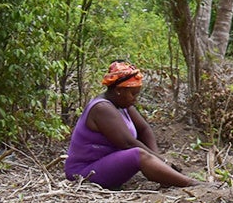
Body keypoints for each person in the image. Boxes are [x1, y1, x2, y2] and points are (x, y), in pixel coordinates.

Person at [64, 62, 200, 190]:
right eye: (132, 93)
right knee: (138, 154)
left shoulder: (122, 105)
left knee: (144, 155)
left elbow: (144, 129)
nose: (135, 98)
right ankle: (191, 184)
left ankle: (174, 178)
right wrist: (160, 160)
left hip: (102, 164)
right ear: (119, 90)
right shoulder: (102, 108)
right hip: (83, 173)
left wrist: (158, 159)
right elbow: (128, 143)